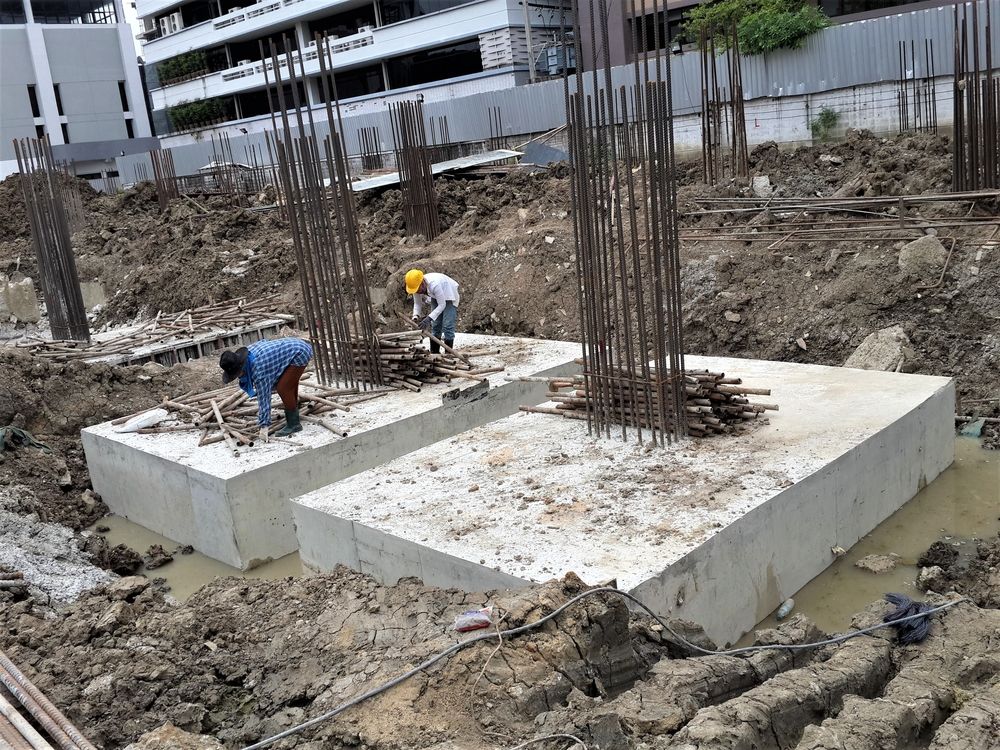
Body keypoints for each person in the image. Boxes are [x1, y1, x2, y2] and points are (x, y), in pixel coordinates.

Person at [219, 337, 313, 442]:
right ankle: (294, 408)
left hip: (299, 352)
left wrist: (264, 425)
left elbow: (264, 397)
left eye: (237, 373)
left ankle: (294, 424)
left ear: (241, 366)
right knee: (288, 384)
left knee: (283, 388)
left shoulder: (258, 370)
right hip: (293, 347)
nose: (238, 376)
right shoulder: (248, 355)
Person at [405, 269, 460, 353]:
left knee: (447, 325)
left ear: (422, 282)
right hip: (435, 296)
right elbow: (417, 303)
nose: (418, 292)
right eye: (416, 290)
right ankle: (435, 352)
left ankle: (449, 354)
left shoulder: (434, 284)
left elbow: (442, 305)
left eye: (418, 289)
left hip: (450, 294)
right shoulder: (415, 287)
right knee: (436, 324)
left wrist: (428, 319)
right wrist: (415, 316)